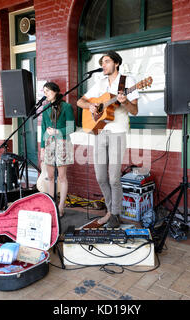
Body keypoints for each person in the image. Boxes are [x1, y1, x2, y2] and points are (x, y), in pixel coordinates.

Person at [77, 51, 139, 228]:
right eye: (101, 62)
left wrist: (125, 101)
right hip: (99, 132)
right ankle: (110, 210)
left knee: (113, 178)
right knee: (100, 176)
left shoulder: (128, 81)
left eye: (106, 61)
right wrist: (92, 106)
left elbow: (134, 111)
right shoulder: (101, 83)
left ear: (117, 63)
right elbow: (80, 102)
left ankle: (115, 214)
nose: (103, 65)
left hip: (118, 133)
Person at [40, 82, 75, 217]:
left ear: (55, 91)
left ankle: (61, 206)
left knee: (61, 177)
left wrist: (57, 131)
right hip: (48, 143)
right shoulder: (45, 108)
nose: (46, 94)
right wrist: (42, 148)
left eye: (48, 91)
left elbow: (71, 128)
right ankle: (51, 204)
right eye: (44, 92)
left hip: (63, 143)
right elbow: (43, 128)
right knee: (49, 176)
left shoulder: (66, 107)